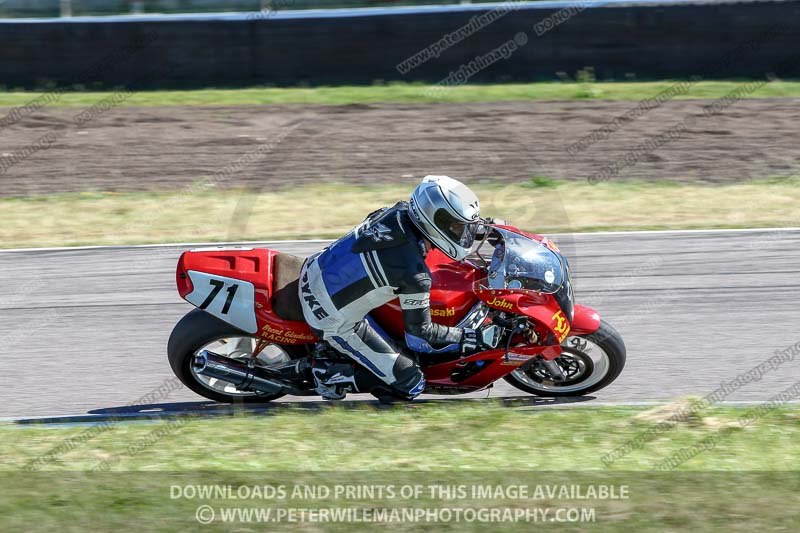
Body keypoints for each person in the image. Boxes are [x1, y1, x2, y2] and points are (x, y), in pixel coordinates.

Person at [298, 175, 486, 400]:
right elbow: (421, 333)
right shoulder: (414, 276)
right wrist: (472, 337)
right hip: (330, 318)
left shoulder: (396, 212)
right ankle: (329, 375)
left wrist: (487, 229)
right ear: (435, 221)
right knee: (412, 382)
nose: (463, 234)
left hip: (315, 268)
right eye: (458, 228)